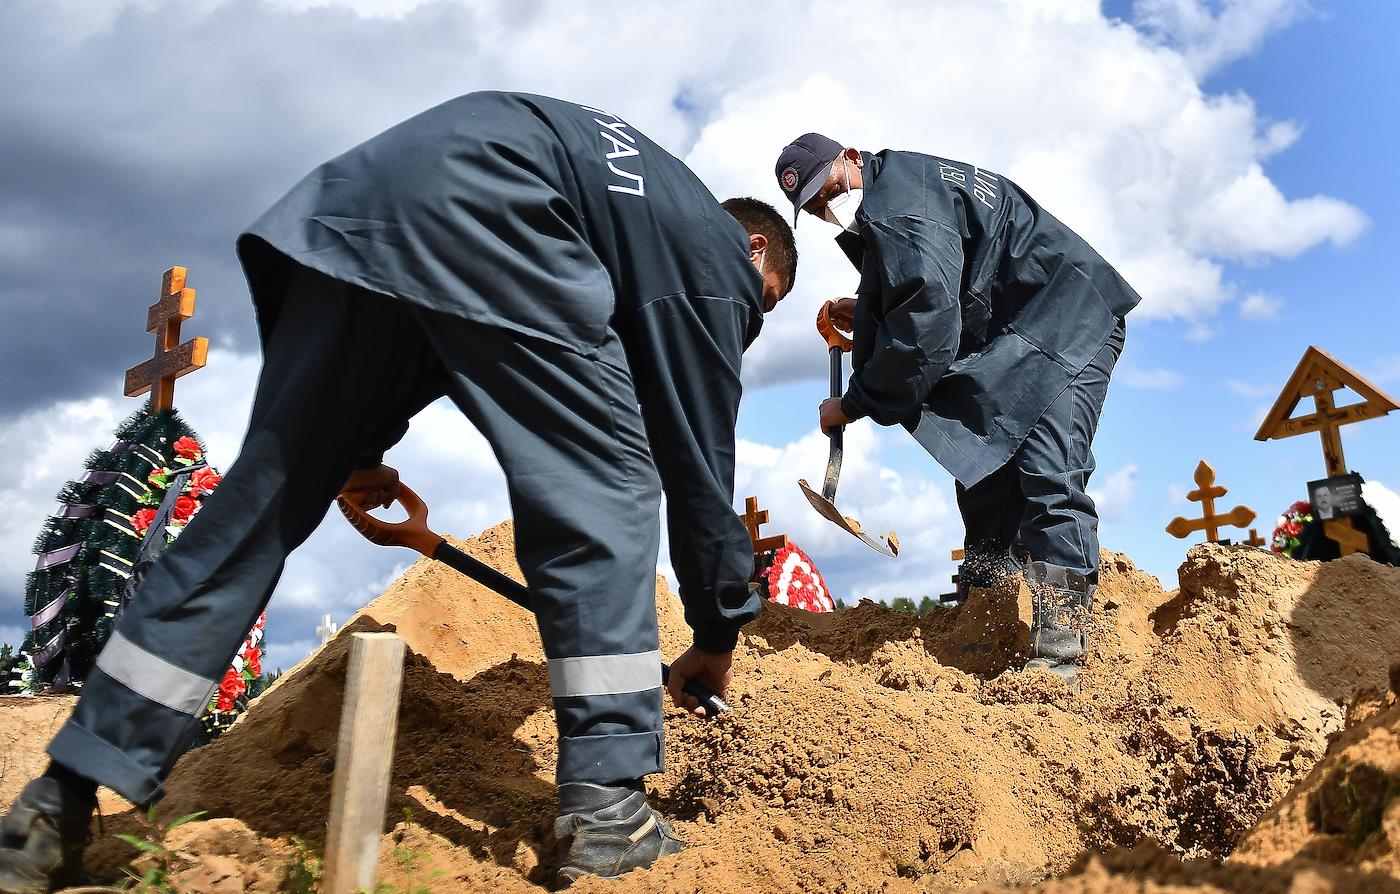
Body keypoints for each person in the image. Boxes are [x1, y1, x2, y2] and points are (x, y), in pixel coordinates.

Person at [0, 91, 797, 893]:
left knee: (260, 507)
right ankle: (609, 814)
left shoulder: (643, 204)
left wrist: (357, 450)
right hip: (501, 207)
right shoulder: (717, 259)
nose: (749, 324)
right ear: (755, 251)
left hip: (358, 210)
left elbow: (433, 294)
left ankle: (60, 798)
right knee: (611, 486)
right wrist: (717, 633)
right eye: (765, 305)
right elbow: (698, 469)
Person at [774, 133, 1139, 685]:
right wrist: (866, 312)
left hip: (1069, 320)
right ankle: (983, 615)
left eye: (829, 192)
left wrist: (853, 403)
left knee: (1048, 470)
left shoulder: (902, 209)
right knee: (984, 463)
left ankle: (1062, 648)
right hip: (1015, 330)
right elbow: (922, 286)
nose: (829, 211)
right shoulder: (891, 195)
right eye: (817, 209)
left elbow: (925, 332)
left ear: (850, 158)